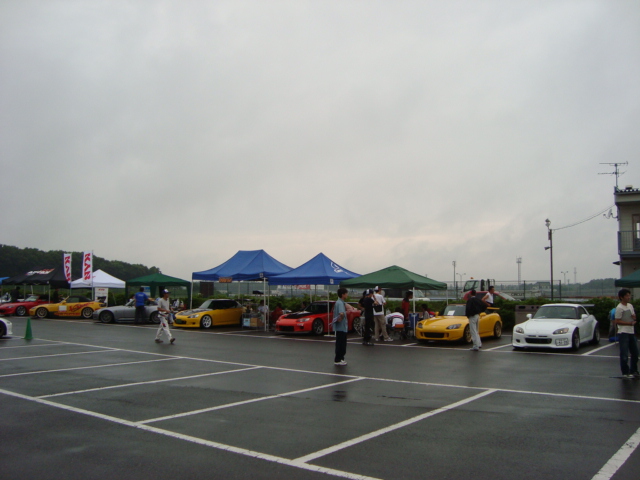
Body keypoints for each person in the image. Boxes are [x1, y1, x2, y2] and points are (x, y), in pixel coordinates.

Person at [614, 288, 638, 378]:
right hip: (623, 332)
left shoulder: (630, 306)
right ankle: (625, 372)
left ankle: (634, 370)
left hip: (631, 331)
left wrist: (633, 318)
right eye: (627, 296)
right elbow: (617, 321)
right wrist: (629, 323)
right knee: (624, 354)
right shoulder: (619, 307)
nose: (629, 297)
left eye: (629, 295)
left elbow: (633, 317)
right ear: (621, 297)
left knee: (635, 353)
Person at [332, 288, 349, 365]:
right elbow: (341, 313)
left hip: (341, 327)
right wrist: (341, 318)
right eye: (346, 293)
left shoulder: (339, 302)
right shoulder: (340, 303)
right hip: (341, 327)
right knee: (341, 343)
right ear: (343, 294)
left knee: (341, 343)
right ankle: (338, 359)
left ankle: (340, 358)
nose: (347, 295)